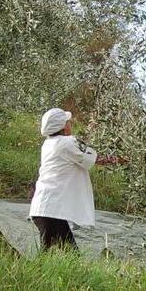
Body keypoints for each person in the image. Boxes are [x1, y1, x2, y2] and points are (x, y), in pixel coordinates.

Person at [29, 108, 122, 251]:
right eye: (68, 122)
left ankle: (37, 273)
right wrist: (119, 160)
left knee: (50, 251)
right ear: (63, 126)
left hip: (42, 208)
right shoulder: (67, 143)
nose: (70, 125)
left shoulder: (48, 144)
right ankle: (38, 272)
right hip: (51, 210)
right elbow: (95, 159)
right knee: (69, 253)